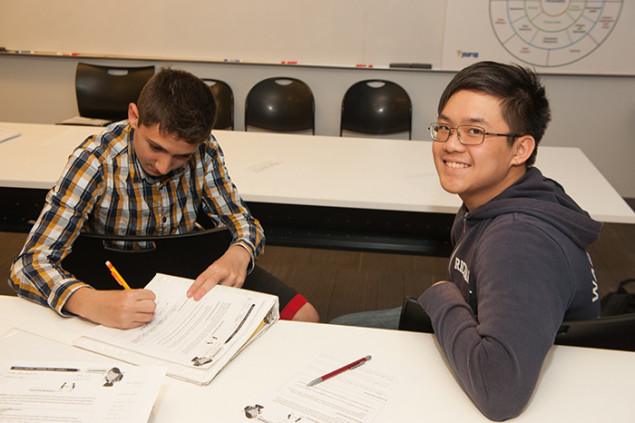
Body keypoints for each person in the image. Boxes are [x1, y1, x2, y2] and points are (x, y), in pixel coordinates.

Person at [330, 61, 601, 421]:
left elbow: (500, 394)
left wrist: (442, 295)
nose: (450, 145)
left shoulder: (519, 242)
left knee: (342, 338)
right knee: (343, 328)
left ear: (520, 150)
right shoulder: (491, 198)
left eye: (474, 132)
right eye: (444, 128)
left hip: (517, 368)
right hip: (478, 322)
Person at [9, 68, 319, 328]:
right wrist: (87, 301)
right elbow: (28, 265)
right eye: (155, 147)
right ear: (134, 116)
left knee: (306, 316)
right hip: (112, 275)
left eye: (181, 156)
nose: (163, 166)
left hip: (183, 267)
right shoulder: (96, 160)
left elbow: (243, 222)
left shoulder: (205, 151)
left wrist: (239, 252)